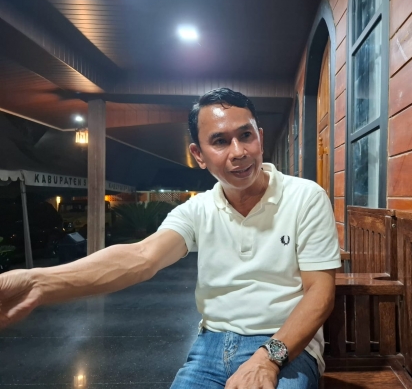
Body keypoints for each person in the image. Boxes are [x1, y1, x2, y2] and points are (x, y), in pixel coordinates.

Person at [0, 88, 341, 389]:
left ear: (260, 138)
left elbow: (320, 291)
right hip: (211, 345)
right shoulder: (197, 210)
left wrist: (269, 358)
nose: (238, 151)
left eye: (245, 135)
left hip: (285, 345)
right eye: (220, 141)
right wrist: (37, 283)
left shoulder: (305, 197)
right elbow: (141, 257)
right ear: (198, 154)